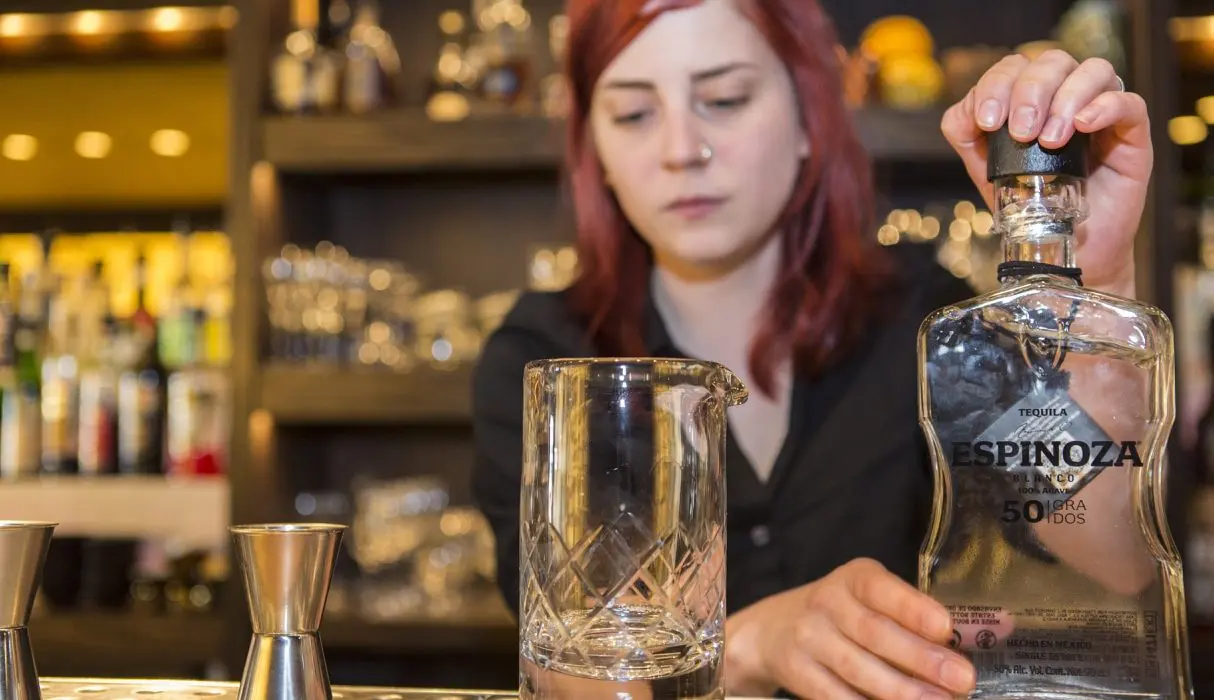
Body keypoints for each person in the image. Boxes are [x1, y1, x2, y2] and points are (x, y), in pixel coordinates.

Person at [470, 0, 1153, 697]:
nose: (681, 148)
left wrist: (1089, 285)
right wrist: (751, 644)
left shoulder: (924, 318)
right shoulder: (543, 361)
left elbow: (1113, 561)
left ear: (807, 116)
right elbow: (564, 676)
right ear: (596, 149)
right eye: (633, 114)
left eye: (725, 99)